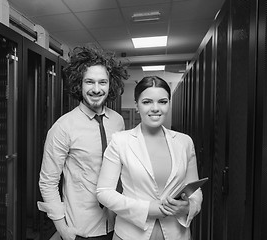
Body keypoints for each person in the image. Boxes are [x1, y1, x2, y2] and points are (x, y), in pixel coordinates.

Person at [37, 45, 129, 240]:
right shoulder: (63, 127)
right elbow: (48, 182)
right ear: (79, 84)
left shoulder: (118, 121)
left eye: (102, 82)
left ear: (110, 85)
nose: (96, 89)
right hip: (80, 230)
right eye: (90, 82)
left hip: (117, 225)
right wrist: (63, 230)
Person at [96, 76, 203, 240]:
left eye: (162, 101)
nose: (155, 108)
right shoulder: (120, 141)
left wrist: (188, 207)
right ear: (137, 106)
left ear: (168, 103)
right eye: (147, 102)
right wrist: (146, 209)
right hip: (130, 234)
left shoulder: (184, 142)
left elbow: (195, 191)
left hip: (177, 233)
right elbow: (104, 192)